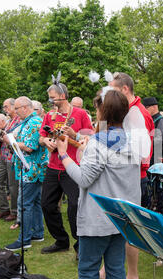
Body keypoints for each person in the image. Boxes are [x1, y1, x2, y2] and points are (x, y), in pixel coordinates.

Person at [57, 89, 140, 279]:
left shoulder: (100, 141)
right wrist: (86, 150)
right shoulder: (132, 139)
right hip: (121, 215)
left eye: (97, 110)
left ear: (104, 112)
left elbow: (84, 178)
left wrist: (64, 155)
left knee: (88, 270)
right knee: (115, 269)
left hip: (98, 218)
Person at [106, 72, 153, 279]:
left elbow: (143, 154)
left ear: (124, 89)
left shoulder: (139, 114)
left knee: (129, 228)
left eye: (112, 90)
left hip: (134, 179)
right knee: (115, 223)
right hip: (119, 177)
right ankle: (111, 269)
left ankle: (133, 277)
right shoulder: (124, 111)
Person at [39, 80, 93, 255]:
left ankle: (80, 245)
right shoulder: (50, 115)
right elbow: (41, 136)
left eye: (53, 98)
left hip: (73, 166)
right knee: (46, 204)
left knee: (74, 207)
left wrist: (74, 134)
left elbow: (90, 138)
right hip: (54, 166)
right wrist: (46, 140)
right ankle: (61, 240)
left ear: (62, 96)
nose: (50, 101)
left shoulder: (80, 114)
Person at [5, 97, 49, 251]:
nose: (15, 112)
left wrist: (12, 142)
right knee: (35, 201)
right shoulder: (27, 122)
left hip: (31, 170)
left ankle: (24, 239)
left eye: (16, 109)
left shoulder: (34, 122)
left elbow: (30, 147)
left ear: (25, 107)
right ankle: (38, 233)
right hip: (29, 168)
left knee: (25, 204)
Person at [0, 99, 21, 224]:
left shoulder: (19, 121)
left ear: (15, 107)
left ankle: (14, 211)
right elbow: (5, 136)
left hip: (12, 157)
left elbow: (11, 137)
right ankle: (4, 208)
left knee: (13, 186)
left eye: (6, 107)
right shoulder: (9, 121)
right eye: (4, 107)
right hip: (4, 156)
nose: (5, 109)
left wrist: (0, 135)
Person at [142, 97, 163, 165]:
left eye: (146, 107)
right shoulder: (149, 119)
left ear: (154, 107)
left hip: (157, 159)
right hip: (150, 157)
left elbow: (158, 140)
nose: (145, 110)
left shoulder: (161, 121)